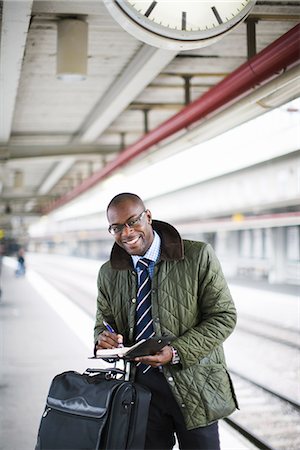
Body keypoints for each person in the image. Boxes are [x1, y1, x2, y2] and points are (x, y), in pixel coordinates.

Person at [94, 193, 238, 450]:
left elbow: (224, 317)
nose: (127, 233)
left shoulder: (197, 256)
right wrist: (103, 341)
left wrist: (176, 351)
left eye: (133, 221)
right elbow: (103, 325)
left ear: (147, 216)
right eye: (117, 227)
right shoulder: (108, 273)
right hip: (141, 393)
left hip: (196, 388)